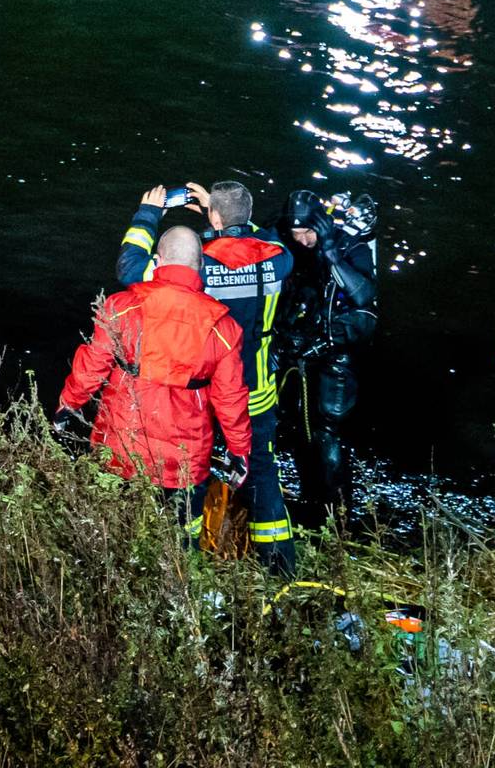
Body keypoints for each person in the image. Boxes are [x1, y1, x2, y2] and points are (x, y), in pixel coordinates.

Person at [119, 181, 299, 570]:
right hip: (256, 390)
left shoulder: (203, 264)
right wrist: (227, 219)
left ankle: (186, 560)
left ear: (213, 217)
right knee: (262, 472)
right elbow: (262, 239)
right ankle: (280, 566)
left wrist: (148, 214)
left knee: (191, 468)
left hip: (201, 391)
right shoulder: (279, 259)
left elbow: (131, 270)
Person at [58, 225, 254, 535]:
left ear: (158, 261)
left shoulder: (122, 306)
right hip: (184, 462)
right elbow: (230, 399)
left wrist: (68, 405)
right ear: (200, 265)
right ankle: (177, 579)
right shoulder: (223, 327)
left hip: (121, 449)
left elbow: (92, 364)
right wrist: (239, 451)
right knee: (181, 538)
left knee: (112, 534)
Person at [282, 190, 378, 527]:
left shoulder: (347, 245)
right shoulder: (291, 247)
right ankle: (312, 500)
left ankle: (339, 517)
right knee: (298, 429)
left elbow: (365, 296)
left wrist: (330, 251)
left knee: (328, 432)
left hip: (337, 355)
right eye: (296, 234)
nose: (303, 240)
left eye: (308, 232)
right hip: (301, 352)